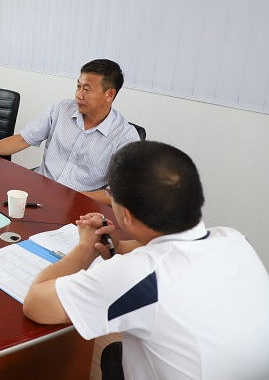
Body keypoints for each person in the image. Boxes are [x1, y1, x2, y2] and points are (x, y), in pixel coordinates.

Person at [23, 141, 269, 380]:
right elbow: (168, 251)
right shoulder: (234, 239)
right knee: (114, 355)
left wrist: (86, 248)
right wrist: (119, 248)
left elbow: (35, 304)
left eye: (110, 193)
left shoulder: (140, 275)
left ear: (126, 215)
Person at [0, 59, 139, 205]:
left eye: (87, 89)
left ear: (109, 95)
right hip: (39, 191)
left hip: (79, 206)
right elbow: (23, 139)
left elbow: (117, 194)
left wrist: (72, 197)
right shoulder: (61, 109)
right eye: (78, 86)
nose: (78, 95)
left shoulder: (125, 137)